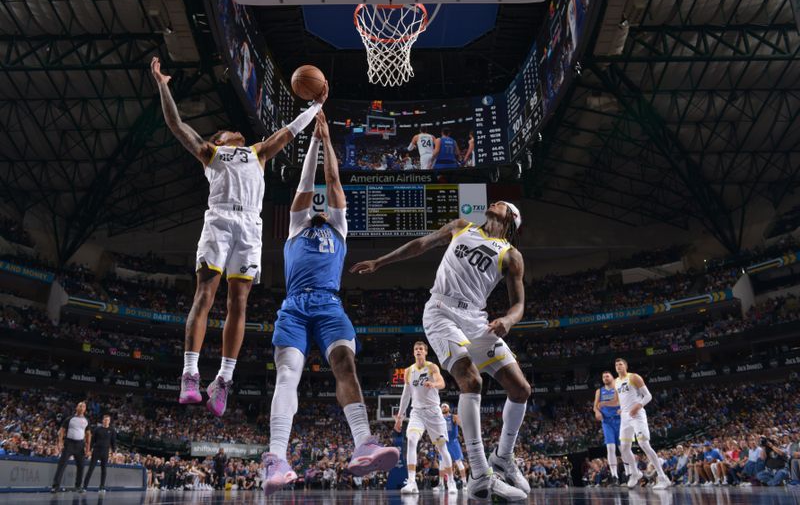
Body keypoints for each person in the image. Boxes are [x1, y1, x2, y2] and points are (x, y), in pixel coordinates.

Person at [151, 57, 327, 416]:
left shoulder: (258, 153)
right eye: (229, 129)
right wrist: (163, 85)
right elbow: (175, 123)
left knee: (239, 303)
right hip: (218, 221)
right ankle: (189, 373)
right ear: (220, 139)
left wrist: (316, 106)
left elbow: (288, 131)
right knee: (205, 295)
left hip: (250, 225)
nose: (237, 130)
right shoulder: (211, 152)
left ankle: (223, 380)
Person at [351, 201, 529, 501]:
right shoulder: (462, 226)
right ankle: (479, 473)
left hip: (476, 319)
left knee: (521, 389)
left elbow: (519, 304)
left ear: (512, 218)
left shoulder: (511, 256)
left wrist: (508, 321)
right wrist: (380, 262)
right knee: (471, 380)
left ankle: (503, 457)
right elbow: (421, 244)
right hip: (440, 311)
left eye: (502, 203)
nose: (494, 202)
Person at [261, 112, 398, 495]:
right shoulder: (295, 226)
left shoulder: (338, 228)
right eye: (313, 205)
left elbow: (333, 180)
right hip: (294, 307)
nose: (317, 205)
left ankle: (363, 443)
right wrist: (314, 145)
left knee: (344, 363)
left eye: (323, 205)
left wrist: (327, 140)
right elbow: (307, 184)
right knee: (288, 375)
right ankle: (275, 458)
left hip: (329, 306)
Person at [394, 341, 458, 495]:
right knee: (411, 440)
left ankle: (451, 481)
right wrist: (400, 417)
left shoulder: (432, 367)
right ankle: (411, 482)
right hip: (417, 412)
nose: (418, 351)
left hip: (433, 412)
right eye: (416, 349)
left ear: (425, 352)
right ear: (413, 352)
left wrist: (434, 384)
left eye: (421, 349)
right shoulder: (409, 371)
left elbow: (442, 383)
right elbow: (405, 395)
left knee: (442, 448)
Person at [614, 358, 671, 490]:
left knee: (644, 444)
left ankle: (663, 478)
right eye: (616, 365)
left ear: (626, 366)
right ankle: (635, 473)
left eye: (620, 364)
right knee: (623, 448)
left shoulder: (634, 377)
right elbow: (622, 399)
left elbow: (648, 396)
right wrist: (621, 408)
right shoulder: (616, 382)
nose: (618, 366)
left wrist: (638, 406)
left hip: (637, 415)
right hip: (625, 417)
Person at [52, 401, 90, 493]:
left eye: (83, 406)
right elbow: (61, 431)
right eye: (80, 406)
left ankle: (78, 486)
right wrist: (60, 443)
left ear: (85, 409)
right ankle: (55, 486)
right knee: (62, 465)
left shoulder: (86, 420)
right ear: (77, 407)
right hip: (69, 444)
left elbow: (88, 434)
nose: (82, 408)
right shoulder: (69, 419)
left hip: (80, 445)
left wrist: (88, 448)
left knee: (81, 466)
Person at [593, 371, 622, 485]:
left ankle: (629, 472)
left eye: (607, 376)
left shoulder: (618, 388)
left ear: (612, 377)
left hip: (620, 420)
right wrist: (596, 412)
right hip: (607, 422)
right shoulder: (599, 391)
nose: (605, 378)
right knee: (610, 448)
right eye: (603, 376)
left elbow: (622, 401)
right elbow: (595, 406)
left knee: (623, 448)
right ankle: (614, 475)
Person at [82, 414, 116, 492]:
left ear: (109, 421)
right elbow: (92, 440)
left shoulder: (112, 430)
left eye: (108, 420)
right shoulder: (97, 429)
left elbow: (113, 442)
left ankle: (102, 487)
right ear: (102, 420)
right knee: (91, 469)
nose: (106, 421)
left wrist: (114, 451)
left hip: (105, 452)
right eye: (105, 420)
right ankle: (84, 487)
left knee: (104, 470)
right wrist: (89, 450)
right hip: (96, 451)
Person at [441, 402, 468, 485]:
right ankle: (441, 483)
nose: (444, 407)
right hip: (443, 442)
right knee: (441, 463)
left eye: (445, 406)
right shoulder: (439, 418)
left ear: (448, 408)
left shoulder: (454, 417)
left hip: (453, 442)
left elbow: (462, 425)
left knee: (459, 462)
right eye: (442, 407)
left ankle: (464, 483)